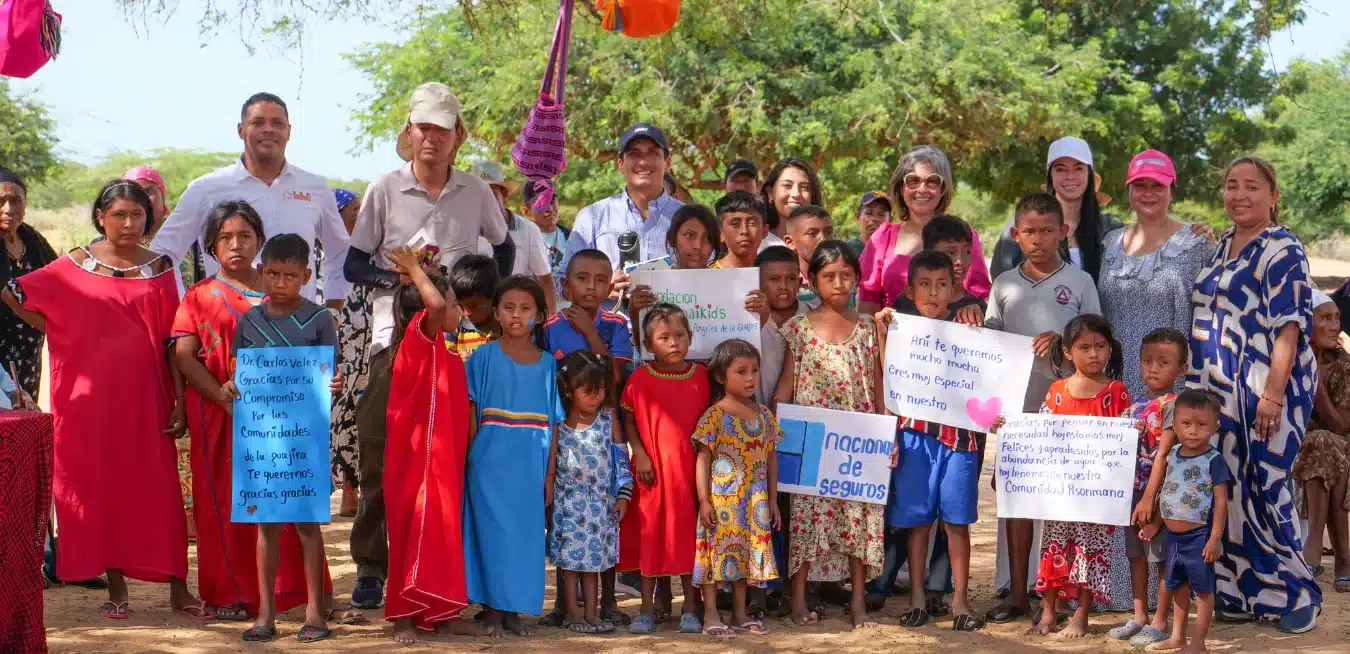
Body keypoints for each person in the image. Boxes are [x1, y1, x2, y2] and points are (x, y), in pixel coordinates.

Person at [343, 82, 510, 609]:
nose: (431, 137)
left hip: (460, 340)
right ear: (408, 133)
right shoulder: (383, 189)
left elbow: (504, 250)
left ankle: (450, 567)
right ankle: (372, 566)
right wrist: (406, 283)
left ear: (458, 136)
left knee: (456, 453)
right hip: (394, 338)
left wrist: (480, 298)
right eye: (423, 127)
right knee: (379, 448)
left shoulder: (478, 191)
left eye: (442, 128)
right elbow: (353, 264)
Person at [2, 180, 199, 619]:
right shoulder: (74, 264)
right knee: (103, 486)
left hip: (149, 394)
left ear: (148, 218)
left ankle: (178, 589)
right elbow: (14, 293)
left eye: (137, 214)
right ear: (100, 218)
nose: (129, 224)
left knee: (160, 487)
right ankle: (117, 588)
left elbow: (174, 341)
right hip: (88, 399)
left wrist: (180, 398)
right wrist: (63, 328)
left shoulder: (163, 268)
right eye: (119, 215)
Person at [171, 201, 338, 624]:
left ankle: (297, 594)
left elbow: (319, 362)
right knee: (224, 506)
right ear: (211, 245)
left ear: (260, 243)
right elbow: (186, 357)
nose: (236, 245)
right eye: (225, 237)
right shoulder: (197, 296)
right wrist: (222, 398)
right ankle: (229, 592)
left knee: (289, 504)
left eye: (245, 236)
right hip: (219, 410)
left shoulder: (285, 293)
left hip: (284, 422)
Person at [1187, 156, 1320, 633]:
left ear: (1273, 195)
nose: (1239, 195)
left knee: (1268, 486)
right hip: (1219, 394)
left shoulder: (1282, 247)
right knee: (1231, 490)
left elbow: (1289, 327)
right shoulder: (1221, 244)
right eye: (1231, 185)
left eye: (1251, 187)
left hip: (1267, 391)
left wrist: (1274, 394)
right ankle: (1244, 592)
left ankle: (1296, 593)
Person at [982, 192, 1101, 625]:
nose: (1038, 238)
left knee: (1062, 500)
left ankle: (1061, 592)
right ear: (1016, 234)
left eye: (1047, 230)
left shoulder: (1082, 282)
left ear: (1062, 231)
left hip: (1070, 409)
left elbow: (1095, 343)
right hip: (1019, 411)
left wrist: (1064, 340)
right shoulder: (1004, 285)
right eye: (1029, 231)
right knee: (1015, 499)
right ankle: (1016, 592)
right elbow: (990, 349)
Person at [225, 234, 344, 643]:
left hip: (304, 442)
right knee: (267, 527)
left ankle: (316, 613)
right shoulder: (249, 321)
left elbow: (332, 375)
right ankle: (265, 613)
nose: (280, 283)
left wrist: (335, 384)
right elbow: (238, 372)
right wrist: (230, 386)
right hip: (261, 441)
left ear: (306, 276)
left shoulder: (320, 319)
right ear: (261, 272)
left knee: (309, 526)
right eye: (272, 273)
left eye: (290, 276)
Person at [869, 251, 985, 632]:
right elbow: (890, 375)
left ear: (954, 290)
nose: (933, 293)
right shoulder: (900, 328)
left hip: (961, 439)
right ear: (909, 289)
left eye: (941, 285)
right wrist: (885, 332)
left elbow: (992, 375)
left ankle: (961, 601)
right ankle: (917, 598)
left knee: (956, 522)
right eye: (924, 285)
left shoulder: (971, 329)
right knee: (918, 521)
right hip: (915, 434)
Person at [773, 241, 884, 629]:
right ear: (814, 280)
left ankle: (857, 602)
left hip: (859, 443)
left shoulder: (870, 328)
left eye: (846, 275)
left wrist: (889, 436)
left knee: (858, 517)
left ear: (857, 278)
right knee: (806, 518)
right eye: (829, 276)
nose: (839, 283)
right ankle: (799, 600)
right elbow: (784, 387)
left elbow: (878, 385)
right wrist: (776, 429)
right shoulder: (798, 329)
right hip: (811, 442)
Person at [382, 247, 490, 643]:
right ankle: (404, 618)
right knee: (413, 529)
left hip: (443, 461)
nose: (456, 309)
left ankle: (441, 609)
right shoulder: (418, 340)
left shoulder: (447, 351)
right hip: (414, 462)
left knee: (443, 531)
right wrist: (414, 268)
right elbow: (431, 302)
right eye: (450, 302)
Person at [150, 92, 349, 304]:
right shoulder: (206, 189)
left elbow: (341, 252)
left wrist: (333, 310)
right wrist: (187, 306)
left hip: (296, 329)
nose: (269, 129)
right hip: (226, 328)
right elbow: (162, 253)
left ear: (289, 131)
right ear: (240, 130)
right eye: (258, 122)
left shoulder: (315, 187)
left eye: (277, 123)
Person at [1019, 315, 1130, 638]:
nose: (1093, 354)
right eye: (1084, 348)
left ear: (1110, 349)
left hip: (1097, 500)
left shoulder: (1117, 392)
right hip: (1060, 496)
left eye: (1100, 347)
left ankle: (1081, 614)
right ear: (1068, 352)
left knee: (1090, 553)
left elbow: (1122, 446)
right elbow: (1039, 435)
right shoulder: (1056, 392)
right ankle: (1049, 612)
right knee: (1054, 549)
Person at [463, 276, 561, 637]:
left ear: (538, 315)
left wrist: (549, 476)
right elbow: (471, 412)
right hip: (488, 463)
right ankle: (491, 610)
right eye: (509, 308)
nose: (517, 315)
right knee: (489, 535)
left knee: (525, 537)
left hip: (530, 465)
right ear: (497, 313)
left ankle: (513, 610)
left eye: (525, 309)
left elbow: (553, 426)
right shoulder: (481, 357)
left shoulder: (549, 365)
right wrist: (468, 458)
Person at [620, 304, 712, 634]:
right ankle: (646, 609)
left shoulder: (701, 376)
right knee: (650, 538)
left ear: (690, 338)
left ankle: (690, 606)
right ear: (648, 344)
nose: (672, 342)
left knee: (687, 539)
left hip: (689, 475)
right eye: (663, 337)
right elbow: (629, 421)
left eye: (679, 335)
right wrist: (641, 454)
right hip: (651, 473)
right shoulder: (640, 377)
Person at [1099, 149, 1216, 400]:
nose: (1148, 193)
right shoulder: (1110, 244)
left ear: (1171, 191)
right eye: (1140, 185)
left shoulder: (1196, 243)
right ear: (1128, 191)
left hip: (1172, 389)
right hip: (1113, 383)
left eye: (1158, 186)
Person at [694, 338, 783, 636]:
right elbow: (702, 460)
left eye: (755, 371)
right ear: (720, 377)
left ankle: (739, 614)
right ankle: (710, 615)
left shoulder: (765, 416)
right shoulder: (715, 416)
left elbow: (771, 460)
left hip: (754, 503)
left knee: (745, 557)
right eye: (741, 371)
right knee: (713, 557)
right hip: (721, 503)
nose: (750, 378)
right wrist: (704, 501)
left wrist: (771, 501)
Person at [1108, 328, 1187, 645]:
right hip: (1133, 492)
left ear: (1181, 370)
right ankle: (1139, 615)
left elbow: (1165, 455)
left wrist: (1151, 501)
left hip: (1162, 495)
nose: (1153, 368)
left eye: (1163, 362)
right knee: (1136, 554)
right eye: (1147, 361)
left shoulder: (1175, 405)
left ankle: (1160, 620)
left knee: (1163, 558)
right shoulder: (1135, 402)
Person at [1138, 390, 1232, 653]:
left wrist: (1215, 538)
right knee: (1178, 586)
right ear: (1175, 425)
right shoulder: (1174, 454)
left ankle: (1198, 643)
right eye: (1186, 424)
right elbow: (1167, 490)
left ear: (1215, 427)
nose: (1193, 431)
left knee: (1202, 590)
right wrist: (1156, 523)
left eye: (1202, 425)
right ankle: (1177, 637)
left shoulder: (1213, 460)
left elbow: (1221, 503)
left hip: (1199, 538)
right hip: (1173, 538)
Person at [549, 351, 634, 634]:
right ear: (570, 391)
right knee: (571, 565)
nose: (596, 397)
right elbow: (550, 468)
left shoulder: (609, 421)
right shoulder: (558, 426)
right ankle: (572, 613)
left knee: (593, 563)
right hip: (568, 505)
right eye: (588, 391)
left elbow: (621, 460)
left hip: (600, 506)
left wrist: (623, 496)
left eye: (600, 391)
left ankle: (592, 613)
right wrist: (548, 496)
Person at [562, 123, 682, 310]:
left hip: (672, 335)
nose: (643, 162)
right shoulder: (592, 217)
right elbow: (560, 283)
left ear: (667, 163)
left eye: (652, 153)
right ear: (620, 164)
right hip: (607, 336)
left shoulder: (688, 218)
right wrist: (599, 285)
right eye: (634, 154)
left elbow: (710, 278)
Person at [858, 146, 991, 314]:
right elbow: (867, 301)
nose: (922, 189)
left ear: (943, 189)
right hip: (892, 336)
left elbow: (979, 295)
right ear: (901, 187)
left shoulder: (966, 236)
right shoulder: (882, 237)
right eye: (913, 180)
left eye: (932, 181)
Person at [989, 137, 1122, 281]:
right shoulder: (1023, 227)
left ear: (1089, 174)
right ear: (1050, 176)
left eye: (1078, 168)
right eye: (1060, 169)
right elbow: (1002, 279)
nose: (1070, 176)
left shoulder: (1110, 229)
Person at [1296, 290, 1350, 592]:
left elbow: (1342, 425)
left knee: (1328, 441)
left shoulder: (1344, 364)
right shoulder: (1287, 359)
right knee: (1327, 445)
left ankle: (1314, 540)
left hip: (1334, 443)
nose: (1335, 326)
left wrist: (1316, 389)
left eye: (1337, 318)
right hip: (1297, 442)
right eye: (1325, 318)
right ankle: (1343, 556)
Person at [0, 167, 56, 398]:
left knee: (24, 420)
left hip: (28, 354)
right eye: (1, 200)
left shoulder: (34, 241)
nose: (8, 209)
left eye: (16, 201)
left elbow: (60, 281)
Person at [473, 161, 557, 313]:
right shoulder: (467, 229)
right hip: (479, 316)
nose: (485, 201)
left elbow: (545, 280)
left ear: (503, 195)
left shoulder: (528, 230)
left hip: (519, 314)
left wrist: (551, 322)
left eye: (492, 194)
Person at [330, 187, 368, 518]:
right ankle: (347, 488)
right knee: (342, 404)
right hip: (331, 324)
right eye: (352, 209)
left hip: (364, 324)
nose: (359, 214)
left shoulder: (371, 246)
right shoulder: (321, 247)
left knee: (364, 403)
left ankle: (365, 486)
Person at [543, 249, 633, 385]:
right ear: (566, 285)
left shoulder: (617, 324)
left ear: (609, 289)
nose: (591, 286)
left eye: (600, 280)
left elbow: (615, 377)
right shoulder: (549, 327)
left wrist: (591, 334)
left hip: (605, 405)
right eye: (582, 278)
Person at [891, 215, 985, 323]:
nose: (960, 261)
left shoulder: (977, 310)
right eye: (951, 253)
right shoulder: (905, 301)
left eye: (967, 252)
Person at [759, 158, 823, 251]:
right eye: (787, 186)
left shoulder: (821, 244)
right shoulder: (757, 244)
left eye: (804, 187)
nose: (796, 194)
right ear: (770, 193)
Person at [522, 179, 570, 303]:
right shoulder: (520, 241)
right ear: (526, 211)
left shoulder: (572, 238)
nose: (549, 208)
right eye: (541, 202)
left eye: (552, 201)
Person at [446, 255, 501, 360]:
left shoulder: (510, 329)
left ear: (494, 298)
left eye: (473, 306)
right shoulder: (454, 328)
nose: (466, 313)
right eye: (460, 306)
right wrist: (457, 362)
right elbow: (443, 363)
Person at [783, 205, 835, 307]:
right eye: (812, 234)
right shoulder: (785, 284)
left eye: (829, 232)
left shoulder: (844, 277)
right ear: (790, 242)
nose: (823, 239)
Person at [713, 192, 766, 269]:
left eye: (752, 223)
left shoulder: (774, 274)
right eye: (735, 224)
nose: (744, 231)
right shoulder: (707, 276)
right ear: (720, 233)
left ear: (764, 231)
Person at [847, 191, 891, 256]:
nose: (875, 218)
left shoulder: (897, 249)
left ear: (890, 220)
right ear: (858, 217)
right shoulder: (848, 249)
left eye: (881, 214)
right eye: (869, 213)